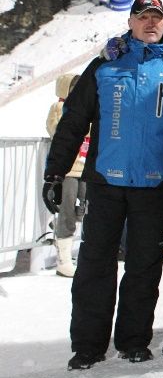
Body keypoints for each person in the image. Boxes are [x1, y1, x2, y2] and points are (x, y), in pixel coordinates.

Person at [43, 0, 163, 370]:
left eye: (156, 18)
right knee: (95, 265)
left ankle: (133, 341)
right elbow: (73, 121)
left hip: (154, 186)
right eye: (143, 17)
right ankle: (88, 345)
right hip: (106, 183)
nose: (150, 23)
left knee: (144, 266)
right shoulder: (104, 66)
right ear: (130, 22)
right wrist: (55, 171)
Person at [45, 73, 88, 278]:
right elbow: (55, 131)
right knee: (68, 211)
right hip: (69, 169)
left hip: (86, 167)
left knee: (86, 209)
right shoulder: (59, 108)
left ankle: (63, 237)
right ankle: (63, 258)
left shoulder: (86, 106)